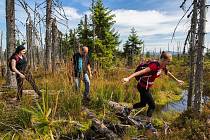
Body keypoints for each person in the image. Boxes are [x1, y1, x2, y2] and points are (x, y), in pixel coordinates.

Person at [122, 51, 184, 132]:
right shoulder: (154, 66)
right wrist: (128, 78)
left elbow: (168, 73)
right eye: (168, 61)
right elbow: (140, 72)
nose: (169, 63)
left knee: (143, 103)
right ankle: (148, 124)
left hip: (145, 87)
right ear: (162, 59)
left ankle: (127, 109)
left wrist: (177, 80)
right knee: (152, 106)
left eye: (170, 61)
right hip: (142, 87)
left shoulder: (163, 66)